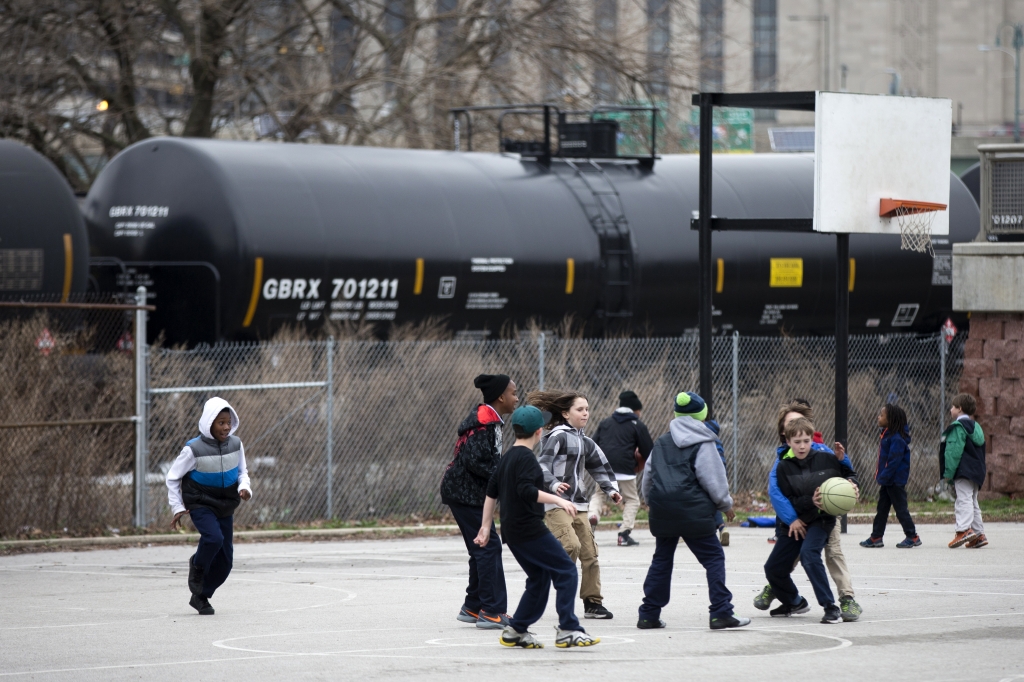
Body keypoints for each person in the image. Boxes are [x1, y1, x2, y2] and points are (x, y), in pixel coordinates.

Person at [474, 406, 600, 649]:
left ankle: (517, 630)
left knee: (539, 578)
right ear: (539, 432)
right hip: (529, 529)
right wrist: (558, 499)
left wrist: (485, 527)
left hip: (513, 531)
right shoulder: (528, 459)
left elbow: (491, 491)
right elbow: (526, 491)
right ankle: (568, 629)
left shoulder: (508, 458)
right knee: (566, 570)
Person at [637, 392, 750, 630]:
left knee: (662, 558)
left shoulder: (661, 442)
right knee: (713, 557)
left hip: (663, 509)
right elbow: (713, 479)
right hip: (693, 511)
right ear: (702, 415)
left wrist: (651, 502)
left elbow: (648, 478)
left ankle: (648, 614)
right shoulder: (704, 441)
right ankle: (721, 611)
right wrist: (725, 505)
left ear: (676, 415)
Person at [754, 400, 863, 622]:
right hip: (794, 519)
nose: (802, 443)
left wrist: (851, 484)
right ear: (785, 435)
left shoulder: (825, 454)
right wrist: (796, 515)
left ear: (810, 433)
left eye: (806, 438)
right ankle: (791, 599)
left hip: (823, 518)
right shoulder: (782, 464)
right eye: (791, 426)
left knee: (826, 554)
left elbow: (845, 473)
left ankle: (842, 601)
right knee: (778, 565)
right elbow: (779, 494)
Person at [530, 390, 622, 619]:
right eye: (579, 410)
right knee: (571, 546)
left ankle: (593, 603)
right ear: (565, 413)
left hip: (579, 505)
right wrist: (553, 485)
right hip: (557, 504)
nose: (585, 413)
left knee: (590, 553)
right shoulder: (557, 437)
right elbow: (541, 466)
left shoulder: (584, 441)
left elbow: (600, 466)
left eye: (587, 409)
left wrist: (611, 490)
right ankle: (555, 582)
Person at [440, 373, 518, 628]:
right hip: (464, 493)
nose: (516, 398)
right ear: (500, 397)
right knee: (489, 546)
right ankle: (492, 611)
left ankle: (473, 606)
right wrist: (502, 473)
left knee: (481, 546)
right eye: (513, 393)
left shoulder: (491, 420)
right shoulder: (484, 423)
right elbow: (475, 460)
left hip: (468, 492)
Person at [166, 397, 252, 616]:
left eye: (228, 422)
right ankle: (197, 564)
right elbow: (173, 477)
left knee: (226, 563)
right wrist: (177, 507)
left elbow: (243, 472)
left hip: (225, 505)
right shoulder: (193, 449)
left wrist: (244, 487)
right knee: (214, 539)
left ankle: (201, 596)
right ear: (209, 423)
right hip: (201, 502)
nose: (226, 427)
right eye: (220, 422)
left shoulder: (236, 444)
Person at [589, 390, 654, 547]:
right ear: (635, 410)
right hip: (625, 468)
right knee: (632, 499)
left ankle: (592, 516)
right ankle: (623, 535)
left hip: (603, 467)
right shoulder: (637, 425)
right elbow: (649, 451)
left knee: (599, 495)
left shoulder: (605, 423)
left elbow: (593, 443)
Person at [860, 403, 921, 548]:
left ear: (891, 419)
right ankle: (876, 537)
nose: (878, 417)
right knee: (882, 509)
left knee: (900, 510)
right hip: (888, 481)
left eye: (881, 415)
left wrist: (884, 477)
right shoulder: (887, 435)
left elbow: (893, 462)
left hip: (895, 481)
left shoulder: (897, 439)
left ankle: (912, 536)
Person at [940, 393, 988, 548]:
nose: (951, 409)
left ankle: (963, 530)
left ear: (960, 409)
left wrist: (949, 472)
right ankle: (978, 534)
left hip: (963, 471)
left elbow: (954, 452)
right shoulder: (976, 427)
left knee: (963, 500)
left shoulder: (957, 427)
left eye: (953, 406)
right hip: (977, 471)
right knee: (972, 501)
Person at [704, 418, 730, 547]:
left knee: (710, 502)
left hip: (710, 475)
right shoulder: (718, 442)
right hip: (721, 475)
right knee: (715, 502)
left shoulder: (705, 443)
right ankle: (722, 527)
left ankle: (718, 528)